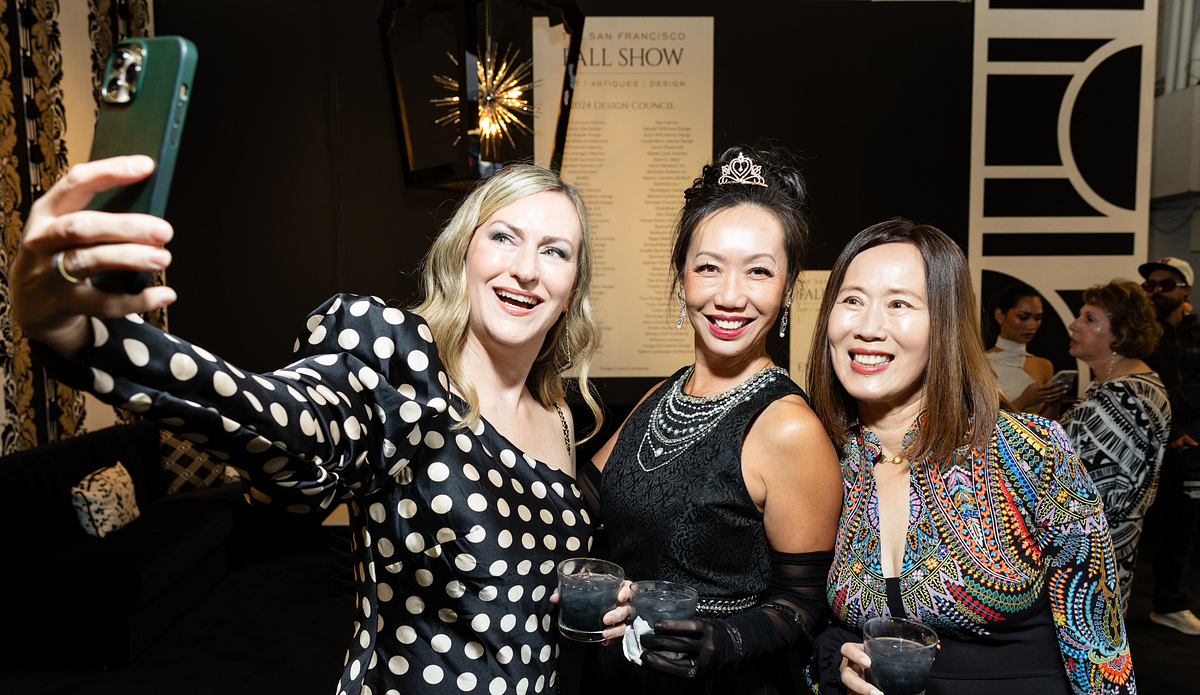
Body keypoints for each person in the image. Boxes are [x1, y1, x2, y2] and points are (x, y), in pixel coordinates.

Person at [13, 156, 630, 694]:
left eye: (555, 251)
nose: (526, 268)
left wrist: (577, 609)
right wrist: (86, 337)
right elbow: (288, 419)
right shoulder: (402, 371)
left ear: (571, 288)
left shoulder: (558, 414)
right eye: (504, 237)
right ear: (462, 253)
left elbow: (523, 585)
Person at [808, 220, 1134, 695]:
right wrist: (840, 665)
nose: (868, 327)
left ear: (945, 322)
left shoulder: (1031, 453)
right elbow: (807, 626)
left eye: (899, 303)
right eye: (852, 300)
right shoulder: (825, 461)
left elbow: (1101, 651)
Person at [579, 146, 843, 695]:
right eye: (709, 267)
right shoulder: (662, 393)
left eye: (759, 272)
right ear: (682, 278)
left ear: (789, 287)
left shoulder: (788, 428)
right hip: (617, 676)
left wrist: (719, 642)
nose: (729, 296)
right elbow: (580, 500)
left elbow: (802, 604)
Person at [1059, 281, 1169, 615]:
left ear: (1119, 334)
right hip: (1102, 557)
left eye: (1090, 318)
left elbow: (1097, 496)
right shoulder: (1121, 383)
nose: (1074, 324)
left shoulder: (1119, 397)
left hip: (1089, 563)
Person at [1139, 256, 1200, 635]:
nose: (1156, 292)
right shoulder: (1142, 334)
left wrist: (1185, 429)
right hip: (1151, 446)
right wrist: (1171, 429)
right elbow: (1145, 390)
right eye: (1150, 286)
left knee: (1184, 527)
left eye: (1164, 285)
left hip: (1193, 448)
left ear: (1185, 290)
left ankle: (1171, 604)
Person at [984, 282, 1070, 414]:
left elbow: (1047, 426)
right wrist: (1023, 401)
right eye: (1023, 317)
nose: (1032, 325)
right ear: (1000, 315)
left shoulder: (1044, 366)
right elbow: (978, 421)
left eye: (1038, 318)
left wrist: (1054, 404)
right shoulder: (982, 363)